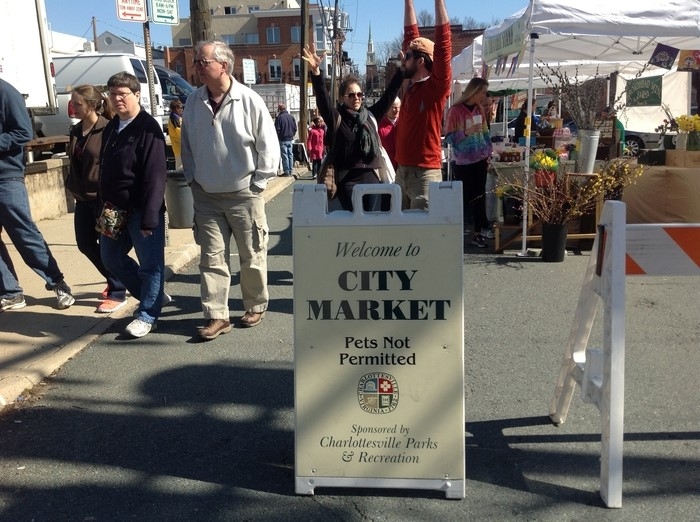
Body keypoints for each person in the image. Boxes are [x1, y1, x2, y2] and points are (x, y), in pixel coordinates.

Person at [181, 40, 280, 341]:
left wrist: (259, 183)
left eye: (203, 61)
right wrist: (192, 179)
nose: (197, 66)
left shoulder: (249, 100)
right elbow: (186, 145)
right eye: (197, 61)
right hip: (206, 196)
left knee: (251, 253)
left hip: (244, 193)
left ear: (223, 65)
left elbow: (269, 147)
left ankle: (255, 304)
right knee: (211, 257)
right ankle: (216, 315)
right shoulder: (192, 102)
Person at [98, 72, 168, 338]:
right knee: (110, 257)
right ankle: (153, 296)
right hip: (113, 209)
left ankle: (148, 314)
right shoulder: (112, 128)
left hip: (141, 210)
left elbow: (155, 175)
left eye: (122, 94)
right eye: (112, 94)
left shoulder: (147, 128)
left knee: (151, 264)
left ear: (137, 95)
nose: (116, 100)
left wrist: (150, 217)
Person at [0, 77, 75, 312]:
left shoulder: (6, 91)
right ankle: (11, 293)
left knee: (23, 233)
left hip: (6, 178)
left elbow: (23, 132)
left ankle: (58, 283)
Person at [302, 44, 404, 212]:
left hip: (372, 178)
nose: (356, 98)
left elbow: (390, 94)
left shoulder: (370, 116)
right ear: (343, 98)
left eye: (359, 94)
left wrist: (401, 71)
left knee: (370, 221)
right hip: (348, 180)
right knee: (355, 221)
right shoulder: (337, 117)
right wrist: (316, 73)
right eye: (351, 95)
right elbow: (323, 100)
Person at [65, 84, 127, 313]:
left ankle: (118, 290)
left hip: (104, 199)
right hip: (82, 199)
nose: (73, 108)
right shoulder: (75, 130)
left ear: (92, 105)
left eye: (78, 104)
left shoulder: (108, 129)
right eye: (72, 103)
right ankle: (115, 279)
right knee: (85, 244)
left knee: (108, 248)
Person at [394, 0, 452, 210]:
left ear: (420, 61)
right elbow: (410, 35)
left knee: (423, 239)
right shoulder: (410, 85)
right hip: (402, 171)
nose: (403, 59)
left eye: (407, 56)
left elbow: (444, 45)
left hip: (425, 175)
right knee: (400, 237)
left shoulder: (435, 89)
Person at [445, 77, 493, 248]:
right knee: (465, 198)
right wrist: (467, 131)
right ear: (475, 91)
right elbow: (449, 138)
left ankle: (478, 233)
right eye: (483, 93)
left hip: (480, 159)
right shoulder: (455, 111)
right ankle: (458, 231)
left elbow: (486, 133)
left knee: (480, 196)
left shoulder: (479, 109)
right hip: (464, 162)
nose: (484, 96)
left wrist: (489, 151)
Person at [378, 97, 401, 169]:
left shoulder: (404, 122)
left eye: (399, 107)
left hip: (402, 166)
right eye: (394, 108)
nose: (397, 110)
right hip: (387, 165)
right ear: (387, 107)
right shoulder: (379, 125)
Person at [275, 102, 297, 177]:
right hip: (290, 138)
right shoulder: (291, 117)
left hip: (282, 138)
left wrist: (278, 136)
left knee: (284, 155)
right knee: (290, 154)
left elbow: (277, 129)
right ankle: (291, 170)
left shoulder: (279, 118)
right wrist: (292, 134)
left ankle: (286, 171)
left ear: (279, 109)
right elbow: (295, 127)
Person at [306, 116, 325, 181]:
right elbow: (309, 140)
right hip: (314, 148)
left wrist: (324, 147)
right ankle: (314, 173)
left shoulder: (322, 131)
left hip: (321, 148)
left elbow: (323, 140)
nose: (319, 123)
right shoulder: (312, 131)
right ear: (315, 123)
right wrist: (309, 147)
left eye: (320, 122)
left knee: (320, 161)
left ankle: (319, 173)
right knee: (315, 162)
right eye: (318, 122)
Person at [168, 99, 184, 170]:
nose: (182, 110)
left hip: (179, 147)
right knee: (181, 167)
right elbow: (180, 133)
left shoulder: (175, 117)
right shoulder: (175, 118)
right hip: (180, 147)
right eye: (181, 108)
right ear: (176, 108)